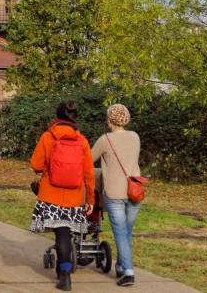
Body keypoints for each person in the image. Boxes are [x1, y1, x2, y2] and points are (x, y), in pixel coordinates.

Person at [29, 100, 95, 291]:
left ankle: (65, 274)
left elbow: (36, 164)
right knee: (65, 233)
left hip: (51, 194)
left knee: (61, 235)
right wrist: (90, 199)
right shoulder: (82, 141)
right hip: (74, 196)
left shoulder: (48, 137)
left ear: (57, 117)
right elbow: (89, 173)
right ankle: (63, 270)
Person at [91, 104, 141, 287]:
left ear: (109, 120)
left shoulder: (105, 140)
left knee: (120, 233)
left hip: (114, 192)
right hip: (135, 191)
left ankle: (128, 272)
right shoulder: (135, 137)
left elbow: (88, 159)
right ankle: (120, 265)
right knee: (126, 232)